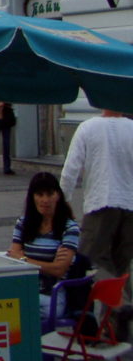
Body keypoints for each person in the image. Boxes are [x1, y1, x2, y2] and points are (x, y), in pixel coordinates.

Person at [60, 108, 133, 310]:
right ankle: (117, 328)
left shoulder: (88, 127)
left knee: (90, 257)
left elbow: (71, 168)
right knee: (121, 265)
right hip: (130, 204)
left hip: (102, 201)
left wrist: (63, 200)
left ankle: (122, 305)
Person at [6, 172, 79, 319]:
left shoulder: (69, 228)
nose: (45, 200)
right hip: (25, 289)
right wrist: (46, 265)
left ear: (58, 195)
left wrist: (24, 260)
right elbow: (13, 260)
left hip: (53, 295)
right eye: (40, 194)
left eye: (50, 194)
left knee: (14, 309)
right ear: (32, 197)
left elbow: (59, 269)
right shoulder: (23, 223)